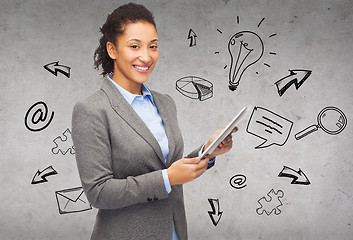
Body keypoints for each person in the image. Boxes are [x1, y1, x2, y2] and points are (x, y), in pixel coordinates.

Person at [71, 3, 237, 240]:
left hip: (174, 231)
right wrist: (167, 179)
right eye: (135, 46)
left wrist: (207, 150)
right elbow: (99, 192)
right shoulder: (92, 110)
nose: (146, 57)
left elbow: (168, 167)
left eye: (153, 47)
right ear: (112, 49)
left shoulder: (165, 102)